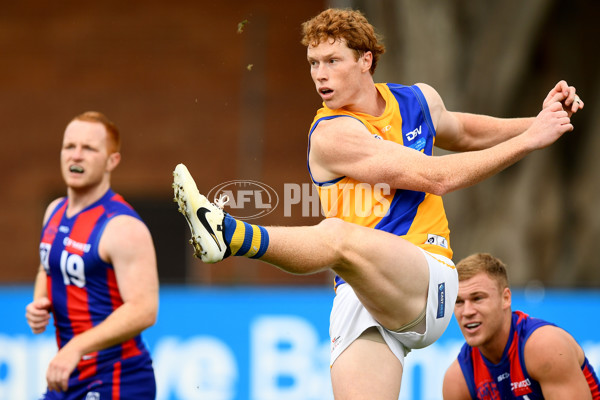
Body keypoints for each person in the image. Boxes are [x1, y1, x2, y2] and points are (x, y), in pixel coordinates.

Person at [172, 8, 583, 399]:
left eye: (332, 60)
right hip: (361, 293)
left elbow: (464, 133)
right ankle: (224, 235)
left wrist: (537, 123)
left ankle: (229, 235)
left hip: (426, 280)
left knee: (337, 236)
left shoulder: (417, 101)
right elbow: (436, 175)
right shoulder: (332, 134)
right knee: (342, 244)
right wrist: (533, 137)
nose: (320, 74)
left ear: (366, 60)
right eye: (313, 63)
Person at [25, 111, 159, 399]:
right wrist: (40, 302)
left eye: (89, 148)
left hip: (118, 379)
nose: (76, 155)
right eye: (69, 146)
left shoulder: (122, 226)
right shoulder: (54, 210)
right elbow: (47, 266)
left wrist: (76, 347)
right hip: (68, 377)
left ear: (113, 161)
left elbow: (144, 309)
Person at [443, 253, 600, 399]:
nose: (467, 312)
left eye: (477, 298)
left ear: (506, 298)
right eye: (458, 302)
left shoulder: (545, 347)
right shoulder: (458, 380)